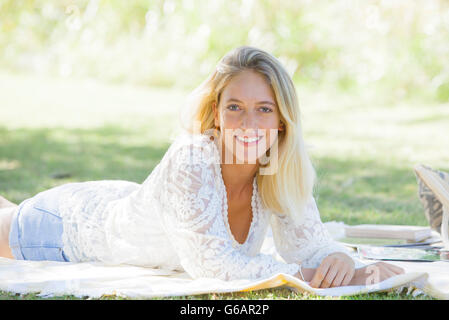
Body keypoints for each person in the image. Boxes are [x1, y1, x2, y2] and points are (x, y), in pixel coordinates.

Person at [0, 46, 404, 288]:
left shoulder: (278, 166)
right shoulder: (192, 158)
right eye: (235, 108)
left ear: (282, 120)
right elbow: (215, 267)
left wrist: (341, 261)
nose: (249, 124)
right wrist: (315, 274)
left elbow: (311, 244)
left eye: (264, 110)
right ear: (217, 113)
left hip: (116, 201)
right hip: (63, 231)